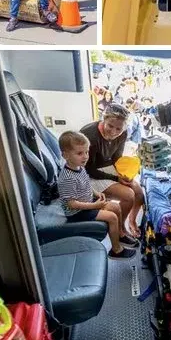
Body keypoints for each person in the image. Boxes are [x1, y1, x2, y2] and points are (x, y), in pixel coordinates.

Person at [58, 131, 138, 259]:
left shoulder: (80, 167)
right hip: (77, 212)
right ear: (65, 155)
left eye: (86, 152)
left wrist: (96, 193)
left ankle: (120, 235)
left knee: (116, 207)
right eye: (79, 153)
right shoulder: (67, 177)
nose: (85, 157)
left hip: (88, 203)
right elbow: (71, 204)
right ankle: (116, 250)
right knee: (111, 217)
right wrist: (94, 205)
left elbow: (86, 184)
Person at [79, 103, 146, 238]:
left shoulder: (123, 133)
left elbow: (116, 158)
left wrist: (124, 175)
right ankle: (120, 229)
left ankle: (132, 222)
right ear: (103, 119)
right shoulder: (89, 135)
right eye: (110, 126)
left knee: (139, 193)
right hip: (89, 174)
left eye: (118, 129)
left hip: (107, 167)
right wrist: (116, 178)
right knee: (128, 195)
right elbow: (88, 168)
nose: (114, 132)